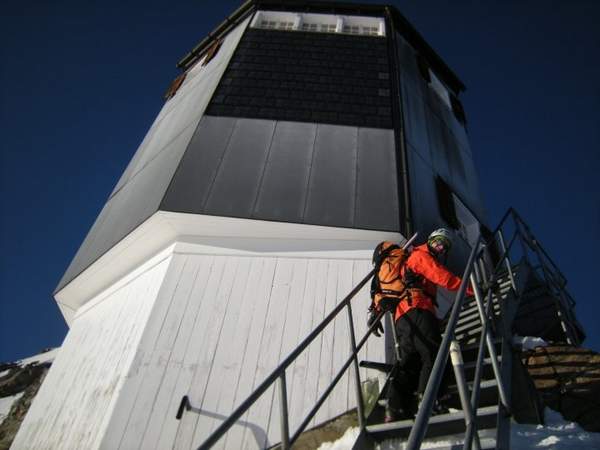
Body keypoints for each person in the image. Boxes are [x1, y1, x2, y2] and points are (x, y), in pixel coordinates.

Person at [372, 228, 474, 422]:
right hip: (418, 308)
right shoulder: (420, 256)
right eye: (438, 242)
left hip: (403, 316)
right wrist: (473, 289)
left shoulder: (412, 259)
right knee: (432, 353)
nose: (440, 247)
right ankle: (430, 400)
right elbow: (443, 277)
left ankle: (395, 408)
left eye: (444, 246)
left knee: (410, 360)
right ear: (429, 240)